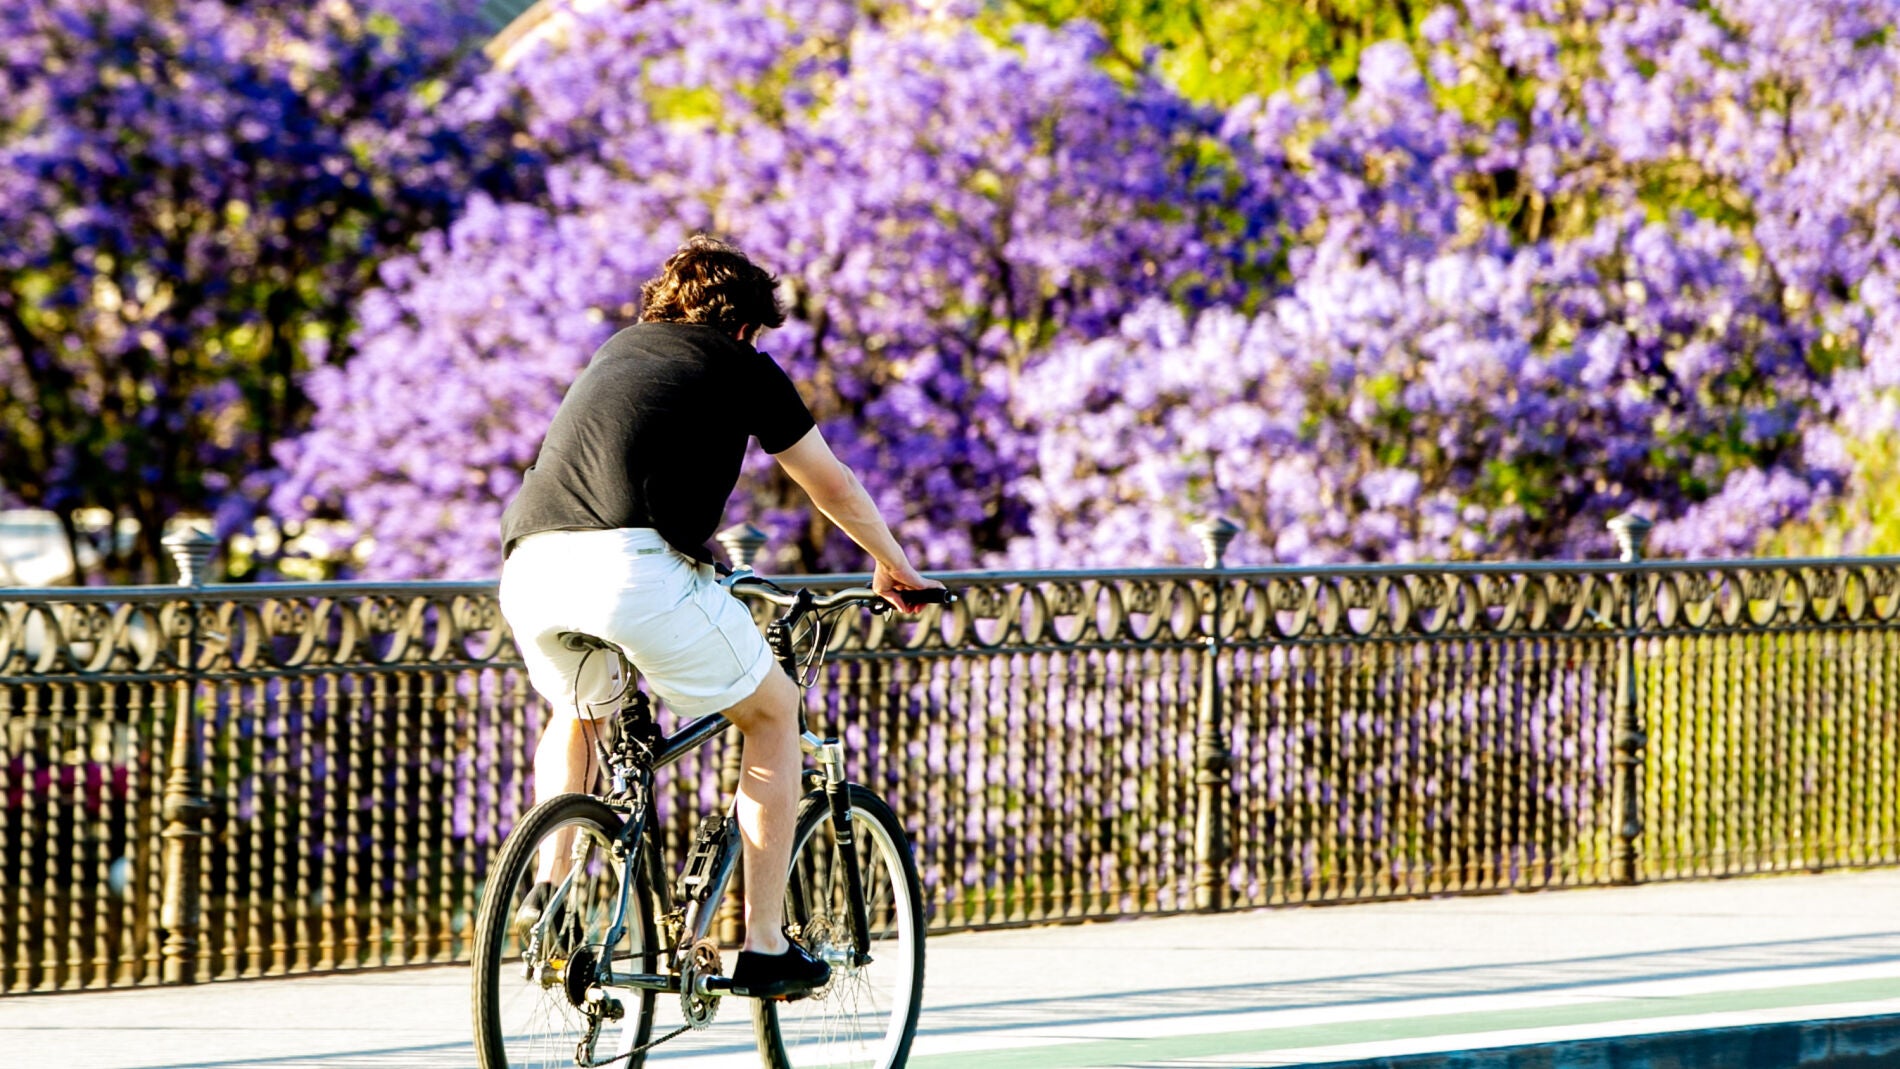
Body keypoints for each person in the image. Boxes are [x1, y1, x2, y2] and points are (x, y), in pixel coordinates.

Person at [497, 235, 942, 1000]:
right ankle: (765, 946)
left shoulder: (619, 348)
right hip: (629, 570)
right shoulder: (742, 364)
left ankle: (551, 889)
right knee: (773, 712)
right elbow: (829, 484)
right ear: (745, 324)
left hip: (529, 564)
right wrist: (892, 563)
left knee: (581, 708)